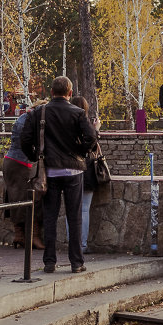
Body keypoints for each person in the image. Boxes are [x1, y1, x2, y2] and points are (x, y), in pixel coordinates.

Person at [21, 76, 98, 274]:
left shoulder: (39, 112)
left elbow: (25, 138)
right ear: (70, 93)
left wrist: (37, 156)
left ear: (51, 92)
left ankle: (49, 262)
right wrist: (80, 152)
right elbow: (91, 137)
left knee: (50, 217)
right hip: (73, 171)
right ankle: (76, 262)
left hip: (49, 172)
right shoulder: (78, 112)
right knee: (75, 217)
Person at [1, 104, 44, 250]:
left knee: (14, 197)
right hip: (22, 163)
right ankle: (33, 236)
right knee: (32, 198)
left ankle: (19, 236)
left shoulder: (22, 118)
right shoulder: (34, 121)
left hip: (10, 160)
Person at [71, 95, 101, 254]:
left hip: (69, 168)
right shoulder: (86, 124)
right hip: (86, 169)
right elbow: (92, 146)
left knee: (72, 208)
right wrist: (96, 130)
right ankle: (82, 244)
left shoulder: (67, 124)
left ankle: (72, 242)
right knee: (84, 210)